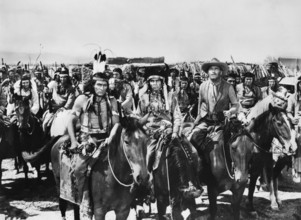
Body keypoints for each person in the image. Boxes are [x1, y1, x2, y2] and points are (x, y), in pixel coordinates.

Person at [137, 65, 202, 198]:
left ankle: (191, 182)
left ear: (162, 82)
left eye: (158, 81)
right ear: (148, 83)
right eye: (152, 81)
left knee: (192, 152)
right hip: (152, 133)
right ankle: (148, 188)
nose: (155, 84)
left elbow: (177, 115)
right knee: (149, 155)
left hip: (170, 131)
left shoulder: (171, 96)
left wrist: (174, 131)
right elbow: (139, 119)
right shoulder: (143, 98)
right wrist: (148, 130)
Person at [189, 58, 239, 151]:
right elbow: (200, 108)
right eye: (211, 69)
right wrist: (195, 124)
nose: (213, 71)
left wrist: (230, 111)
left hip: (222, 122)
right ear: (208, 72)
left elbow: (236, 105)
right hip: (206, 121)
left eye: (216, 69)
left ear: (220, 71)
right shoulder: (202, 86)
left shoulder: (228, 87)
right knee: (192, 140)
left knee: (232, 146)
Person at [287, 80, 301, 182]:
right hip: (297, 125)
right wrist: (292, 118)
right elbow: (288, 112)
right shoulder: (292, 97)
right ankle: (298, 171)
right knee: (298, 142)